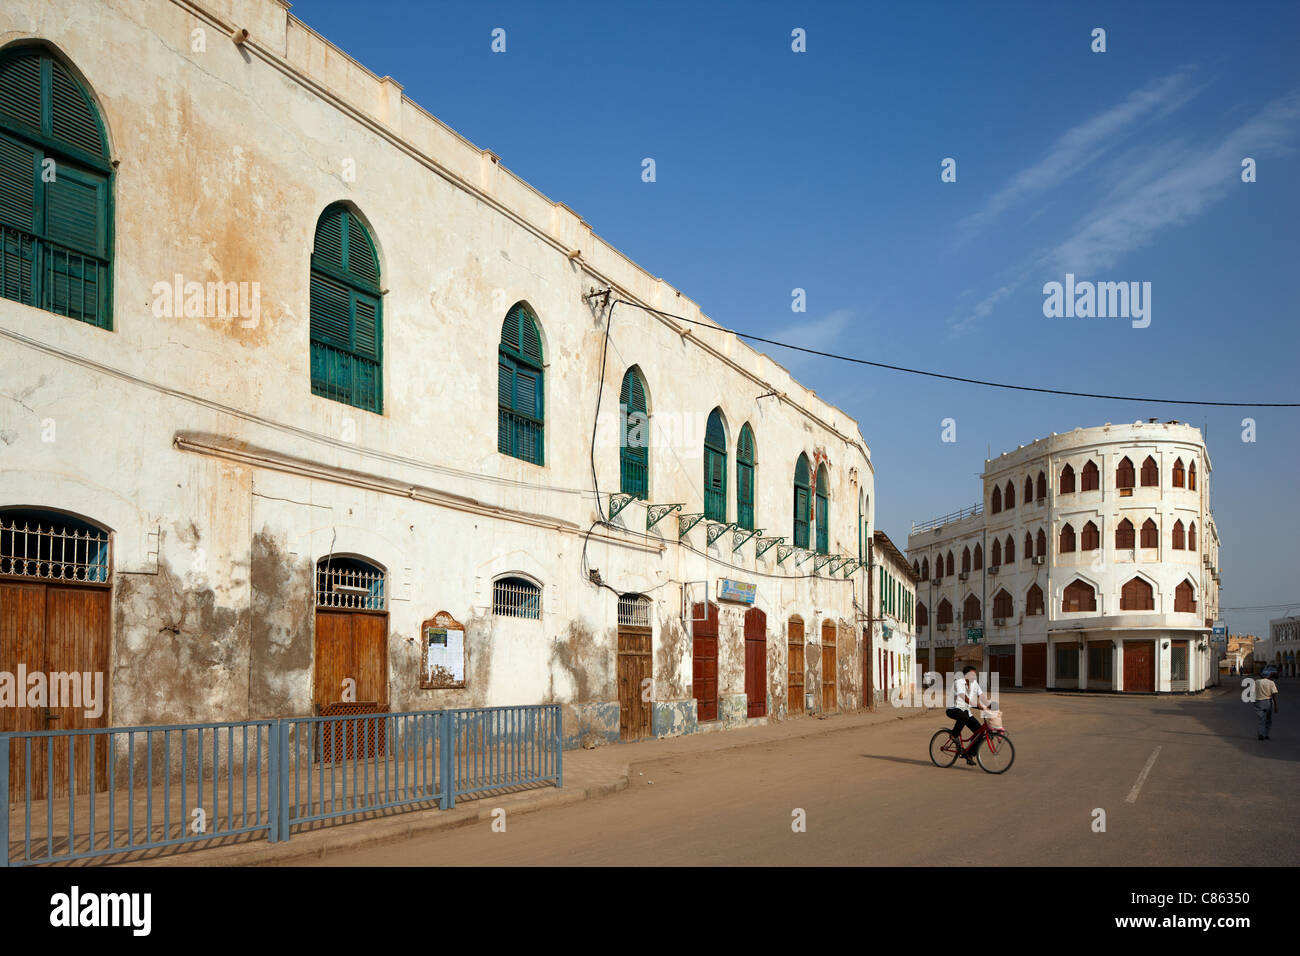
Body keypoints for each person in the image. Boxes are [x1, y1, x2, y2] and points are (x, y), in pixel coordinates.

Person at [947, 665, 992, 764]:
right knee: (963, 717)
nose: (974, 677)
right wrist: (976, 705)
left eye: (974, 675)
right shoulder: (958, 683)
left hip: (966, 711)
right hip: (953, 709)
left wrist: (990, 705)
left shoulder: (974, 683)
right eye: (972, 674)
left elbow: (981, 695)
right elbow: (964, 697)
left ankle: (969, 754)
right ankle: (954, 735)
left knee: (980, 733)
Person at [1253, 672, 1279, 740]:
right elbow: (1274, 694)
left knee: (1261, 719)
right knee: (1268, 719)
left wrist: (1254, 701)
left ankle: (1261, 734)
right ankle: (1266, 734)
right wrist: (1276, 705)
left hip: (1258, 701)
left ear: (1261, 675)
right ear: (1269, 676)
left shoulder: (1257, 682)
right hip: (1268, 702)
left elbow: (1253, 692)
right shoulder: (1271, 683)